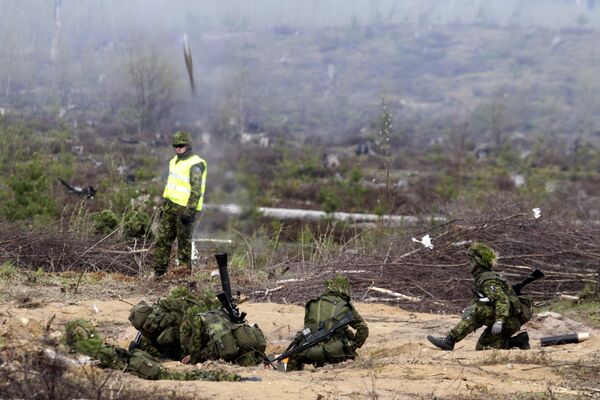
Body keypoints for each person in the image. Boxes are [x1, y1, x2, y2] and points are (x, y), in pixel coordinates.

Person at [427, 242, 533, 351]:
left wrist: (499, 321)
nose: (469, 264)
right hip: (511, 319)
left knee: (476, 310)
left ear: (478, 262)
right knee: (483, 347)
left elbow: (502, 300)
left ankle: (450, 340)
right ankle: (519, 340)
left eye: (471, 260)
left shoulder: (487, 280)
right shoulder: (484, 277)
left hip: (509, 320)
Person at [63, 319, 243, 382]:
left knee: (184, 375)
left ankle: (234, 378)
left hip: (143, 363)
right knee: (184, 376)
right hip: (143, 365)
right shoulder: (97, 354)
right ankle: (234, 378)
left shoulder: (96, 352)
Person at [128, 286, 267, 367]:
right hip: (213, 339)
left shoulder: (176, 312)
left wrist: (192, 357)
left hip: (202, 345)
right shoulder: (173, 308)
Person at [285, 275, 369, 371]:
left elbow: (308, 328)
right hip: (337, 352)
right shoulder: (345, 305)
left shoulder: (312, 304)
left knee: (292, 359)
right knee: (355, 363)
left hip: (309, 351)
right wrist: (354, 345)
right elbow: (363, 328)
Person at [154, 130, 207, 277]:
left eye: (181, 145)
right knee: (163, 240)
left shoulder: (195, 164)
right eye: (175, 146)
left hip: (184, 210)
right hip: (170, 206)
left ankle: (183, 278)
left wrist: (190, 212)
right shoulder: (174, 161)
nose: (178, 148)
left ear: (188, 145)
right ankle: (159, 274)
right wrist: (163, 205)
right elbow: (171, 185)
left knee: (183, 246)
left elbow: (196, 191)